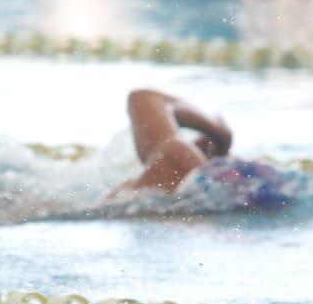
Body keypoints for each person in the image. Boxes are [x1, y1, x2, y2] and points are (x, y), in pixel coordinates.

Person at [106, 88, 301, 211]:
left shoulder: (176, 164)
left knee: (143, 100)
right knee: (142, 99)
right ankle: (218, 134)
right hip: (193, 177)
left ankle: (218, 135)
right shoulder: (177, 166)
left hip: (187, 172)